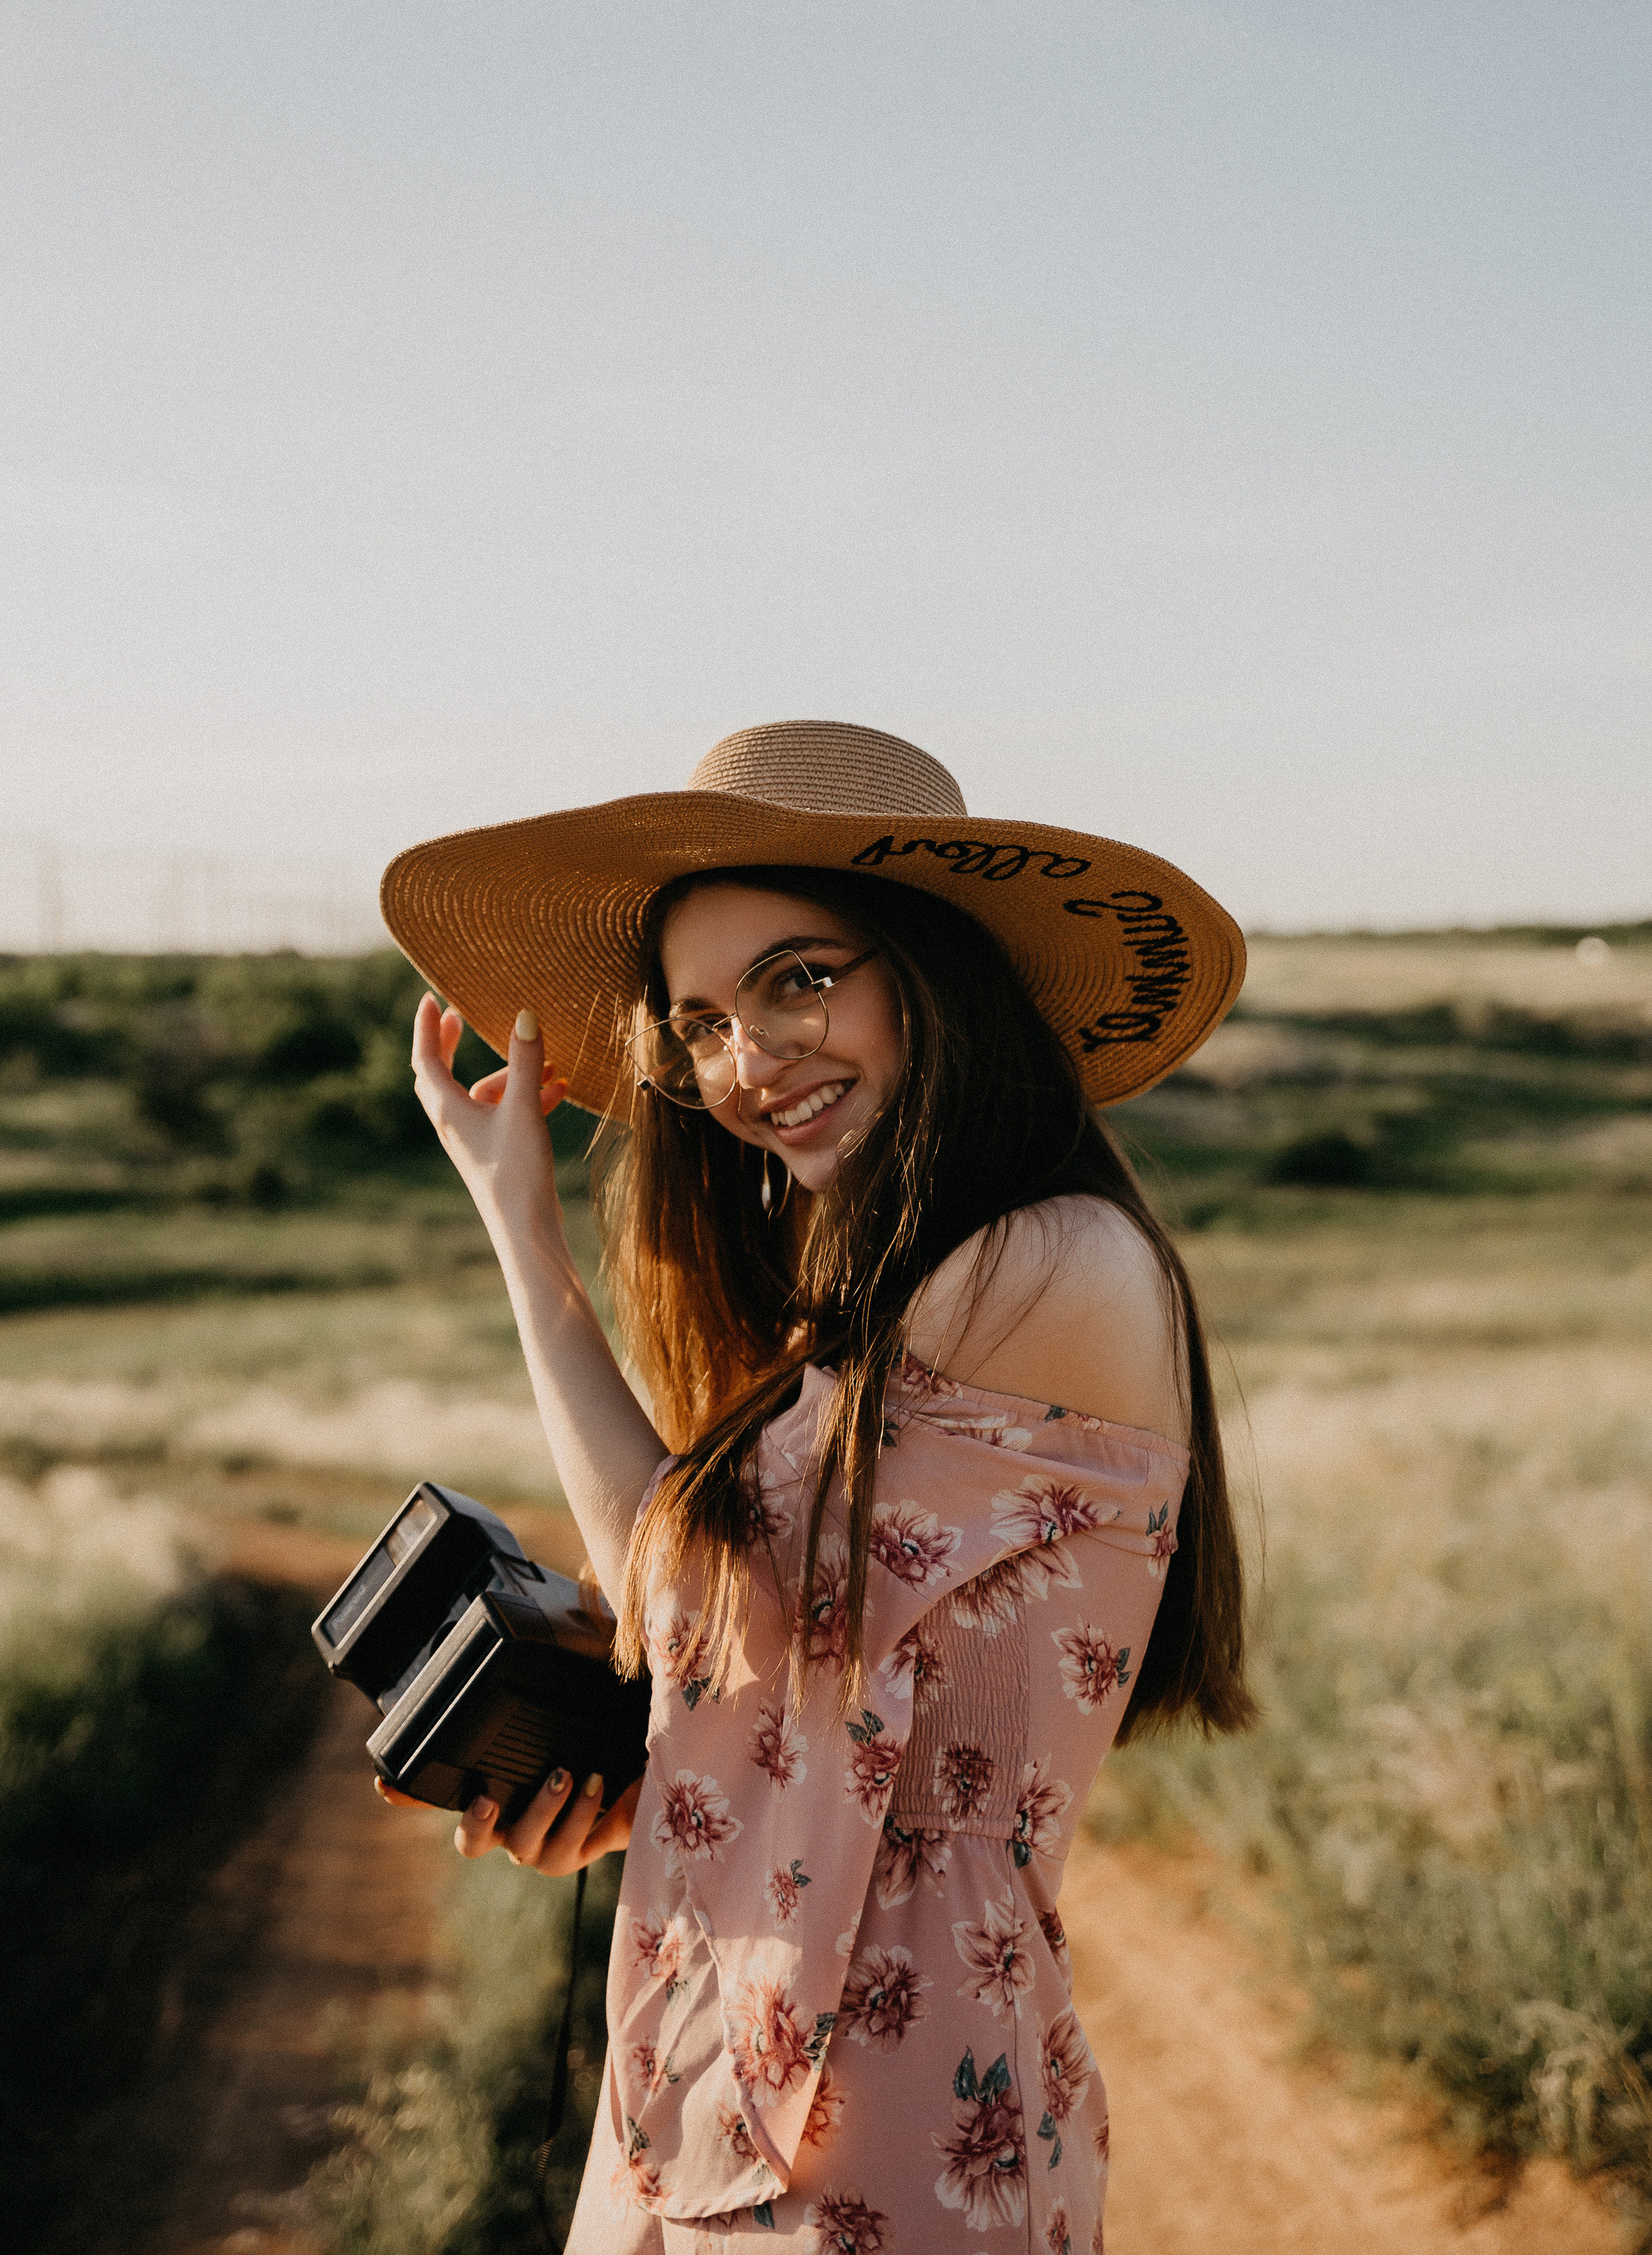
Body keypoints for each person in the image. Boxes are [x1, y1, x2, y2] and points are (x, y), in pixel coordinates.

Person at [379, 720, 1256, 2254]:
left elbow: (701, 1617)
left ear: (936, 970)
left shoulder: (1042, 1261)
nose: (748, 1060)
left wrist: (524, 1235)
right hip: (716, 2070)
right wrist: (649, 1790)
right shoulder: (870, 1300)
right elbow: (777, 1676)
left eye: (801, 977)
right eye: (700, 1018)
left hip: (900, 2123)